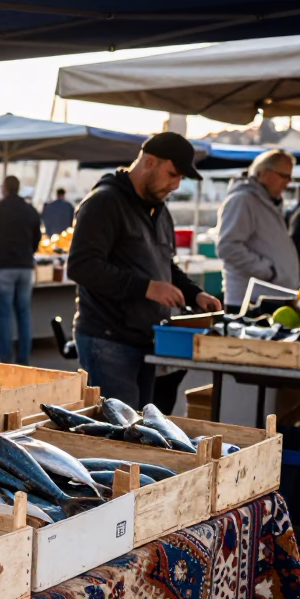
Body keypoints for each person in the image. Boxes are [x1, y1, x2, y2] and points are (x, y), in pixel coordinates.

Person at [67, 133, 221, 408]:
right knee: (118, 437)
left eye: (180, 179)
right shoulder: (104, 202)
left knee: (141, 431)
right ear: (149, 161)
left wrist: (194, 294)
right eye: (172, 174)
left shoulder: (159, 210)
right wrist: (147, 287)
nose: (175, 185)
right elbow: (81, 266)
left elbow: (164, 264)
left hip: (146, 339)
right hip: (107, 340)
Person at [215, 149, 300, 313]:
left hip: (268, 298)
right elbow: (228, 248)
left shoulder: (267, 201)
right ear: (263, 173)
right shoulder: (243, 200)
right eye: (284, 176)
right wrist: (269, 272)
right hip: (251, 301)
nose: (288, 182)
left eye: (289, 177)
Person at [0, 175, 42, 364]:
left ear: (4, 189)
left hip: (3, 267)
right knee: (24, 313)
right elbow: (38, 237)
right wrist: (29, 252)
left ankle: (5, 358)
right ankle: (23, 359)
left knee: (4, 314)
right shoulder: (30, 211)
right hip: (25, 267)